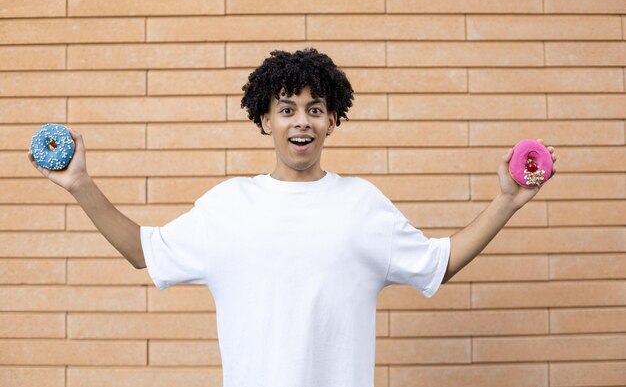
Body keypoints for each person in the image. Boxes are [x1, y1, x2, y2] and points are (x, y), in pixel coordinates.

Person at [28, 48, 557, 387]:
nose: (300, 121)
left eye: (314, 108)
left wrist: (507, 201)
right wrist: (80, 184)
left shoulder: (362, 205)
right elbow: (143, 252)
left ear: (331, 120)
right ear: (265, 119)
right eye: (286, 108)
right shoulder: (229, 205)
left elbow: (440, 263)